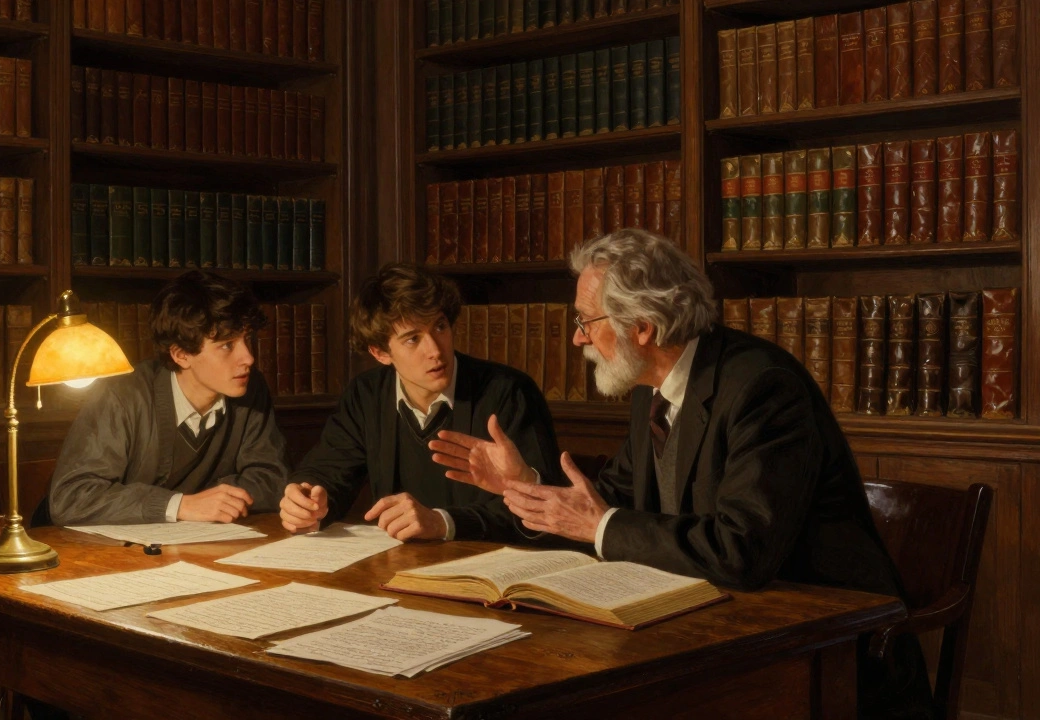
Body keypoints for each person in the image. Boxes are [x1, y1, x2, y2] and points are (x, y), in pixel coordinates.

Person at [430, 229, 932, 718]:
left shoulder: (761, 388)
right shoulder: (652, 387)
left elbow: (741, 550)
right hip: (720, 628)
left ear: (643, 327)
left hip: (832, 654)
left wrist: (598, 525)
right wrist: (524, 488)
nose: (578, 337)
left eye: (586, 320)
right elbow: (606, 504)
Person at [278, 262, 561, 543]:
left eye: (440, 327)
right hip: (397, 567)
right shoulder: (367, 394)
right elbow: (329, 470)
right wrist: (307, 499)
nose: (435, 350)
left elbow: (547, 506)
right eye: (413, 339)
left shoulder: (509, 392)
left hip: (492, 568)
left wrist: (443, 523)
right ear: (380, 353)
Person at [46, 269, 289, 526]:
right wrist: (181, 505)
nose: (248, 358)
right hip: (106, 554)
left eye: (247, 340)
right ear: (181, 355)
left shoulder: (250, 388)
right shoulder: (122, 396)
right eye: (227, 345)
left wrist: (209, 500)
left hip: (192, 549)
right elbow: (70, 498)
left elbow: (273, 480)